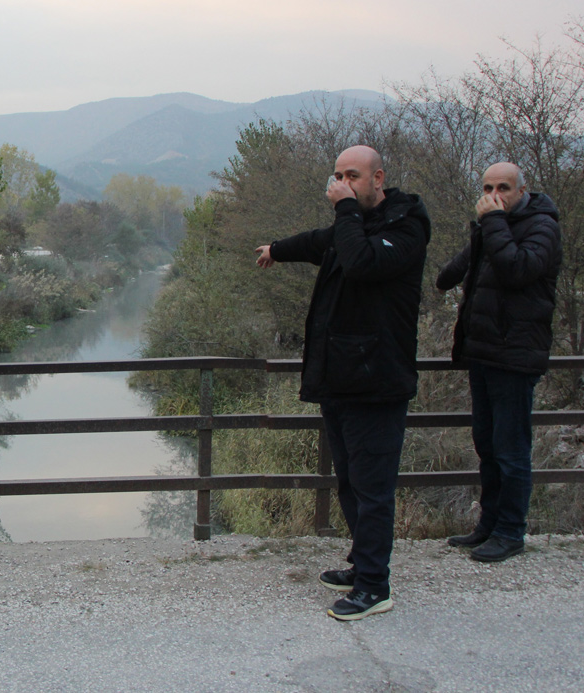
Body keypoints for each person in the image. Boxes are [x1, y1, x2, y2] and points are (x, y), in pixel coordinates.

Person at [254, 146, 430, 621]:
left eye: (353, 175)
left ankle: (375, 587)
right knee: (351, 482)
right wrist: (276, 249)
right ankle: (362, 564)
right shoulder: (353, 224)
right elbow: (321, 242)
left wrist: (344, 207)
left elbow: (359, 262)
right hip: (341, 377)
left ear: (379, 178)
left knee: (373, 488)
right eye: (338, 176)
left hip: (377, 380)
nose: (344, 183)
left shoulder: (406, 225)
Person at [436, 163, 562, 563]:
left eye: (503, 188)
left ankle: (511, 531)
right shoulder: (491, 227)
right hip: (484, 353)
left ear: (522, 189)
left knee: (511, 450)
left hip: (515, 355)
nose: (494, 195)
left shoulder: (542, 227)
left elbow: (515, 269)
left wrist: (491, 222)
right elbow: (448, 276)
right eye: (488, 188)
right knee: (487, 445)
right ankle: (488, 525)